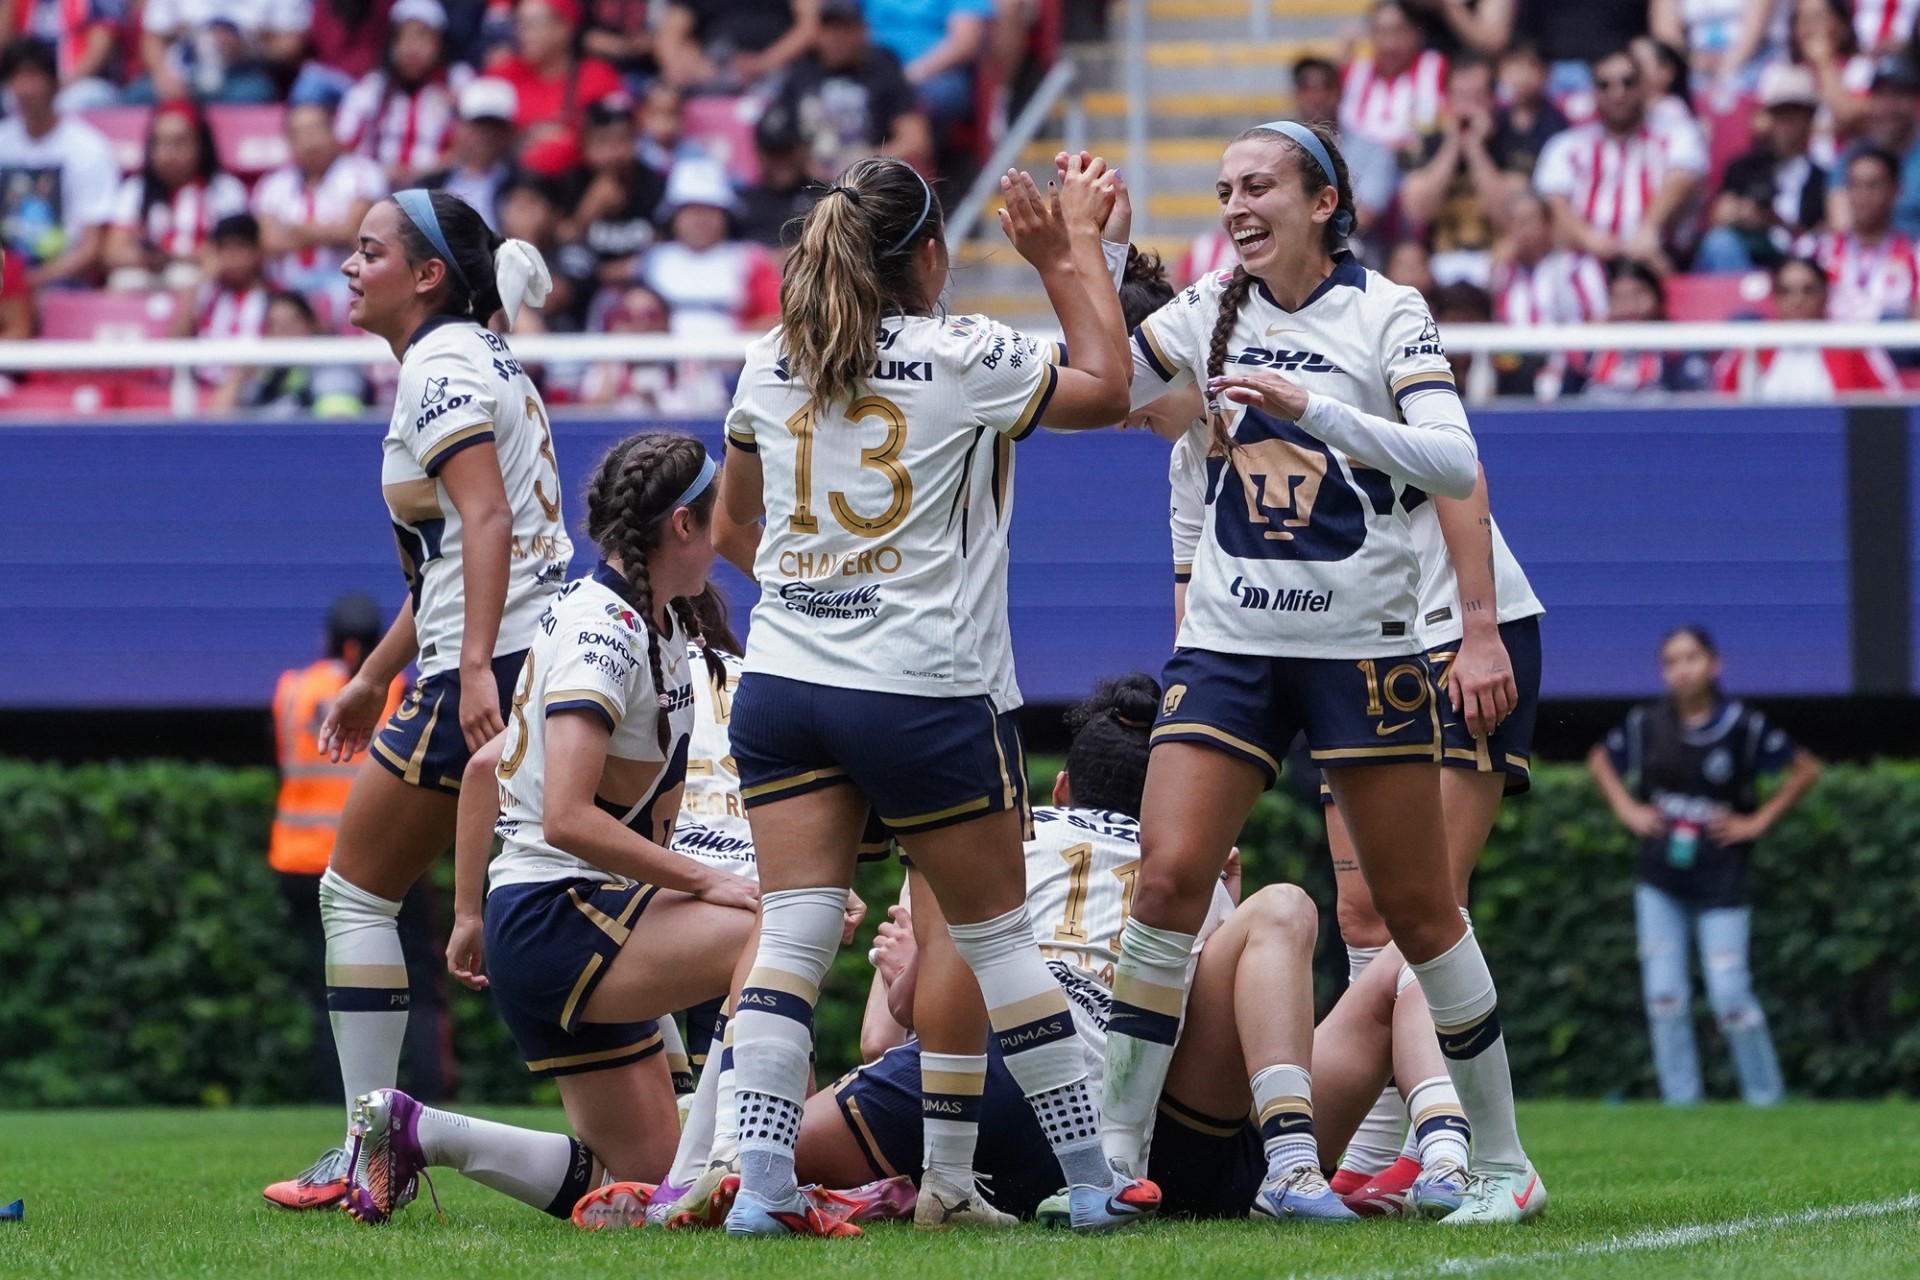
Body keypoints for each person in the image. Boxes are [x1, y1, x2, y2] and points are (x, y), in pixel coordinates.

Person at [1111, 118, 1545, 1224]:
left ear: (1323, 201)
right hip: (1237, 650)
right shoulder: (1207, 316)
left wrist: (1319, 412)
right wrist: (1087, 255)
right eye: (1223, 190)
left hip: (1378, 644)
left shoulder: (1387, 310)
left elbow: (1455, 465)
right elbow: (1109, 386)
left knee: (1419, 912)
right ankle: (1114, 1160)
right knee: (1174, 881)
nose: (1235, 206)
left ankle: (1492, 1159)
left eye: (1258, 185)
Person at [715, 152, 1155, 1236]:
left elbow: (734, 523)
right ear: (928, 254)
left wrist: (821, 598)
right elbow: (1110, 386)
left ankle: (760, 1190)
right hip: (923, 689)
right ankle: (1090, 1181)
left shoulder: (772, 357)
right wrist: (1067, 253)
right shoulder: (967, 354)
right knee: (999, 938)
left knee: (792, 938)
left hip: (784, 680)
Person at [340, 435, 764, 1226]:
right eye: (721, 518)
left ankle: (418, 1131)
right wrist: (711, 881)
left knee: (636, 1174)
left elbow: (486, 768)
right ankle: (713, 1174)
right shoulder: (606, 628)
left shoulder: (642, 619)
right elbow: (566, 817)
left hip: (548, 921)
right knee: (779, 930)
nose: (734, 534)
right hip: (562, 919)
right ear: (682, 525)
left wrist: (471, 915)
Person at [260, 189, 571, 1211]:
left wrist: (470, 666)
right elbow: (448, 557)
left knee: (355, 893)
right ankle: (695, 1115)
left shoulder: (439, 365)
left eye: (368, 250)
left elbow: (486, 521)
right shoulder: (476, 353)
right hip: (537, 652)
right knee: (591, 895)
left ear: (428, 274)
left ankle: (370, 1147)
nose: (348, 266)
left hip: (492, 660)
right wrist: (370, 674)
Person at [1587, 624, 1821, 1107]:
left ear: (1715, 664)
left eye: (1692, 657)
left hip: (1721, 879)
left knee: (1730, 994)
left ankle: (1766, 1099)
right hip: (1659, 879)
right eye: (1671, 661)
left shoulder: (1742, 725)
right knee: (1665, 997)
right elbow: (1600, 759)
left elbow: (1805, 769)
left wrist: (1756, 822)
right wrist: (1628, 810)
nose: (1682, 669)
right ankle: (1682, 1104)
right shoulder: (1647, 723)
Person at [270, 597, 409, 1104]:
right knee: (399, 982)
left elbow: (285, 758)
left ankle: (338, 1095)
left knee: (324, 986)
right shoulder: (396, 688)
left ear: (328, 640)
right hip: (374, 862)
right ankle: (408, 1097)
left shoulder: (292, 690)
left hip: (299, 858)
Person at [1533, 46, 1707, 271]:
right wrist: (1589, 239)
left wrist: (1648, 228)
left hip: (1653, 254)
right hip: (1583, 257)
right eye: (1605, 85)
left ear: (1643, 87)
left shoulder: (1676, 134)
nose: (1617, 93)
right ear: (1593, 92)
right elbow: (1554, 203)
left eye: (1628, 82)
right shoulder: (1566, 146)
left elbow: (1681, 181)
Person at [0, 37, 118, 288]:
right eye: (15, 77)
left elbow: (92, 247)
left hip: (63, 276)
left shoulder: (88, 148)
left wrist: (28, 282)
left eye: (32, 75)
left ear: (54, 82)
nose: (23, 88)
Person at [252, 103, 391, 314]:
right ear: (289, 142)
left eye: (316, 129)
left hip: (346, 285)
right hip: (286, 290)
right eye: (300, 133)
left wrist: (294, 230)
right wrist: (330, 232)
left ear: (332, 132)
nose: (310, 141)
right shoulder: (272, 185)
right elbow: (269, 242)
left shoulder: (363, 172)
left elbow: (353, 232)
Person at [770, 0, 931, 181]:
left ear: (863, 30)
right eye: (829, 29)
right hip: (810, 185)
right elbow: (776, 143)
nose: (836, 37)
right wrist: (806, 165)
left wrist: (864, 162)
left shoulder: (883, 67)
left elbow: (916, 141)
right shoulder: (801, 72)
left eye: (844, 28)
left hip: (869, 183)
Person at [104, 102, 249, 292]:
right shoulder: (135, 189)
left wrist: (172, 257)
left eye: (178, 143)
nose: (167, 154)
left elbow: (232, 251)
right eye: (159, 143)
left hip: (201, 277)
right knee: (121, 280)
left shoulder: (225, 190)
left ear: (200, 145)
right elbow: (113, 252)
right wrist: (147, 258)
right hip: (148, 273)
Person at [1697, 64, 1828, 271]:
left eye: (1796, 114)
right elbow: (1717, 218)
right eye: (1781, 114)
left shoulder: (1823, 177)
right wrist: (1739, 214)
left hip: (1801, 264)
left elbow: (1826, 233)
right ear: (1769, 119)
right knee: (1719, 243)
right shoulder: (1743, 168)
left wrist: (1777, 222)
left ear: (1810, 119)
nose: (1788, 123)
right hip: (1751, 257)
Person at [1712, 256, 1901, 397]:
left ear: (1825, 295)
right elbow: (1721, 402)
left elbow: (1891, 402)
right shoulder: (1752, 345)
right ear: (1775, 298)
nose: (1797, 300)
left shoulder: (1852, 345)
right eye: (1786, 291)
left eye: (1807, 291)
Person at [635, 159, 781, 336]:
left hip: (736, 353)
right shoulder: (652, 261)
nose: (699, 220)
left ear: (726, 215)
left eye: (709, 210)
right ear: (673, 216)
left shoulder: (752, 260)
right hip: (663, 353)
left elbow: (776, 318)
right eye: (690, 210)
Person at [334, 0, 462, 189]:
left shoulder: (457, 84)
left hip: (438, 187)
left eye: (421, 36)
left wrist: (423, 172)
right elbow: (343, 144)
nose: (412, 48)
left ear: (438, 43)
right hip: (377, 187)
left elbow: (471, 150)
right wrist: (377, 172)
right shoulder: (371, 88)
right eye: (403, 37)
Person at [491, 0, 624, 172]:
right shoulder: (505, 73)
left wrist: (571, 141)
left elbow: (617, 136)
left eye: (532, 24)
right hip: (510, 178)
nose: (522, 33)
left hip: (575, 179)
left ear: (565, 28)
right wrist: (522, 139)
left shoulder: (597, 76)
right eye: (519, 23)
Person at [1566, 258, 1714, 396]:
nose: (1629, 307)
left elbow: (1693, 398)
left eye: (1638, 295)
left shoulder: (1677, 349)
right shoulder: (1589, 351)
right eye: (1619, 298)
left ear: (1658, 299)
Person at [1802, 147, 1918, 320]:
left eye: (1872, 186)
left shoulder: (1914, 253)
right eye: (1855, 185)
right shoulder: (1816, 250)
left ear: (1896, 191)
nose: (1863, 196)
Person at [224, 290, 374, 415]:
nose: (281, 333)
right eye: (274, 325)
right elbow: (219, 423)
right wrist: (238, 377)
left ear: (311, 325)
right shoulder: (260, 375)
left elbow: (338, 425)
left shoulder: (335, 369)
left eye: (290, 323)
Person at [133, 0, 306, 104]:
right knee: (135, 98)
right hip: (183, 70)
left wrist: (249, 47)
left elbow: (291, 45)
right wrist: (164, 76)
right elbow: (152, 39)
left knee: (255, 94)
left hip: (242, 74)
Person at [860, 0, 991, 136]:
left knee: (930, 96)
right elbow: (851, 23)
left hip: (936, 73)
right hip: (873, 68)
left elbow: (965, 42)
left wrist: (913, 73)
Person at [656, 0, 820, 94]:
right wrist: (693, 67)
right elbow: (668, 36)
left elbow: (809, 26)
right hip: (715, 74)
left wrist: (764, 63)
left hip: (781, 73)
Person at [419, 77, 518, 232]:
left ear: (508, 133)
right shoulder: (431, 183)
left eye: (494, 127)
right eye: (478, 126)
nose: (486, 135)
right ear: (459, 127)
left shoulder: (519, 186)